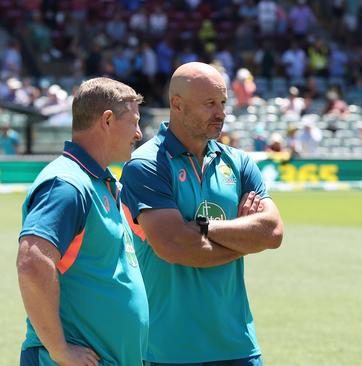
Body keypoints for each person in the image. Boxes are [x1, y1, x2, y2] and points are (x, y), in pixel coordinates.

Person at [120, 62, 284, 366]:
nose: (220, 112)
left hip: (239, 346)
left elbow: (273, 232)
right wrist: (244, 240)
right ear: (177, 105)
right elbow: (175, 246)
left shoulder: (239, 162)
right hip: (168, 351)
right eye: (210, 103)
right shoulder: (145, 166)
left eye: (222, 102)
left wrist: (203, 228)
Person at [16, 77, 148, 365]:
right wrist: (59, 349)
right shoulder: (67, 184)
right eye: (134, 122)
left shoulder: (103, 182)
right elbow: (32, 262)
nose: (139, 133)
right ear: (108, 121)